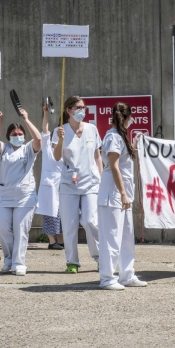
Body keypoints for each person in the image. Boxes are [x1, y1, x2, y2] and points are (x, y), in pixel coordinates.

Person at [97, 102, 147, 290]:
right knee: (111, 237)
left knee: (126, 236)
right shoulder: (112, 137)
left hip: (122, 194)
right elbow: (114, 167)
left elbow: (125, 160)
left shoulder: (120, 136)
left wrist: (134, 144)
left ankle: (127, 275)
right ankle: (107, 278)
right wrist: (123, 194)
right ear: (126, 117)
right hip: (113, 194)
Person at [53, 96, 101, 273]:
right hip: (68, 184)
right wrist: (59, 140)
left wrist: (102, 180)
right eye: (78, 107)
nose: (82, 110)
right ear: (68, 111)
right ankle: (72, 261)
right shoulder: (60, 131)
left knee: (90, 221)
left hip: (90, 183)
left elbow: (97, 156)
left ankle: (100, 258)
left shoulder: (92, 129)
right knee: (69, 224)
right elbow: (57, 157)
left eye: (83, 107)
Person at [0, 108, 41, 276]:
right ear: (9, 136)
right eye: (14, 133)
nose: (18, 135)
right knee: (0, 227)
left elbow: (39, 139)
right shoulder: (3, 150)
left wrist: (26, 119)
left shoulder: (28, 149)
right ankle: (9, 259)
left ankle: (19, 263)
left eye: (20, 133)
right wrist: (0, 121)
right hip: (4, 197)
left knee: (21, 229)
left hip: (25, 197)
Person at [37, 103, 64, 250]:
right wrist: (46, 114)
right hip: (49, 187)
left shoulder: (64, 153)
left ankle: (61, 240)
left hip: (62, 186)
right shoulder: (47, 148)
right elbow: (45, 130)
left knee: (62, 214)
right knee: (50, 214)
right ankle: (52, 241)